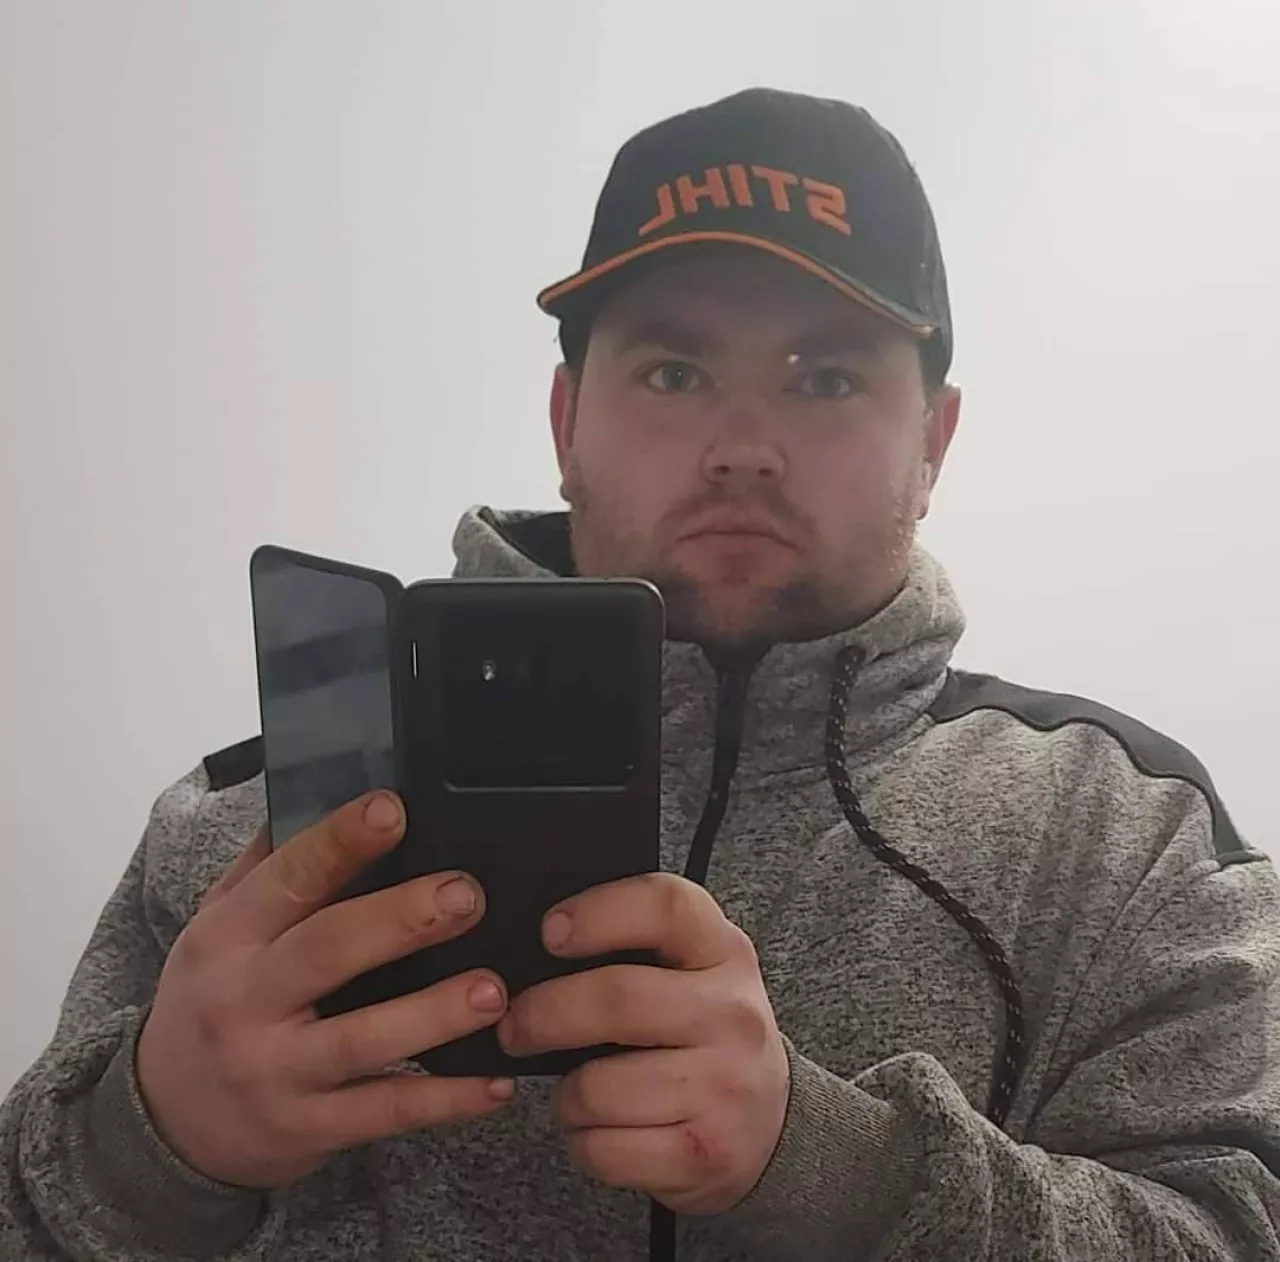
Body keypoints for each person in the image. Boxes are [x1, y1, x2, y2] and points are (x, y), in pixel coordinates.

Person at [2, 86, 1278, 1262]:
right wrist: (148, 1147)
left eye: (826, 376)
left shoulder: (1122, 835)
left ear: (932, 442)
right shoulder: (253, 830)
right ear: (567, 422)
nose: (742, 447)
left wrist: (841, 1169)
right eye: (673, 372)